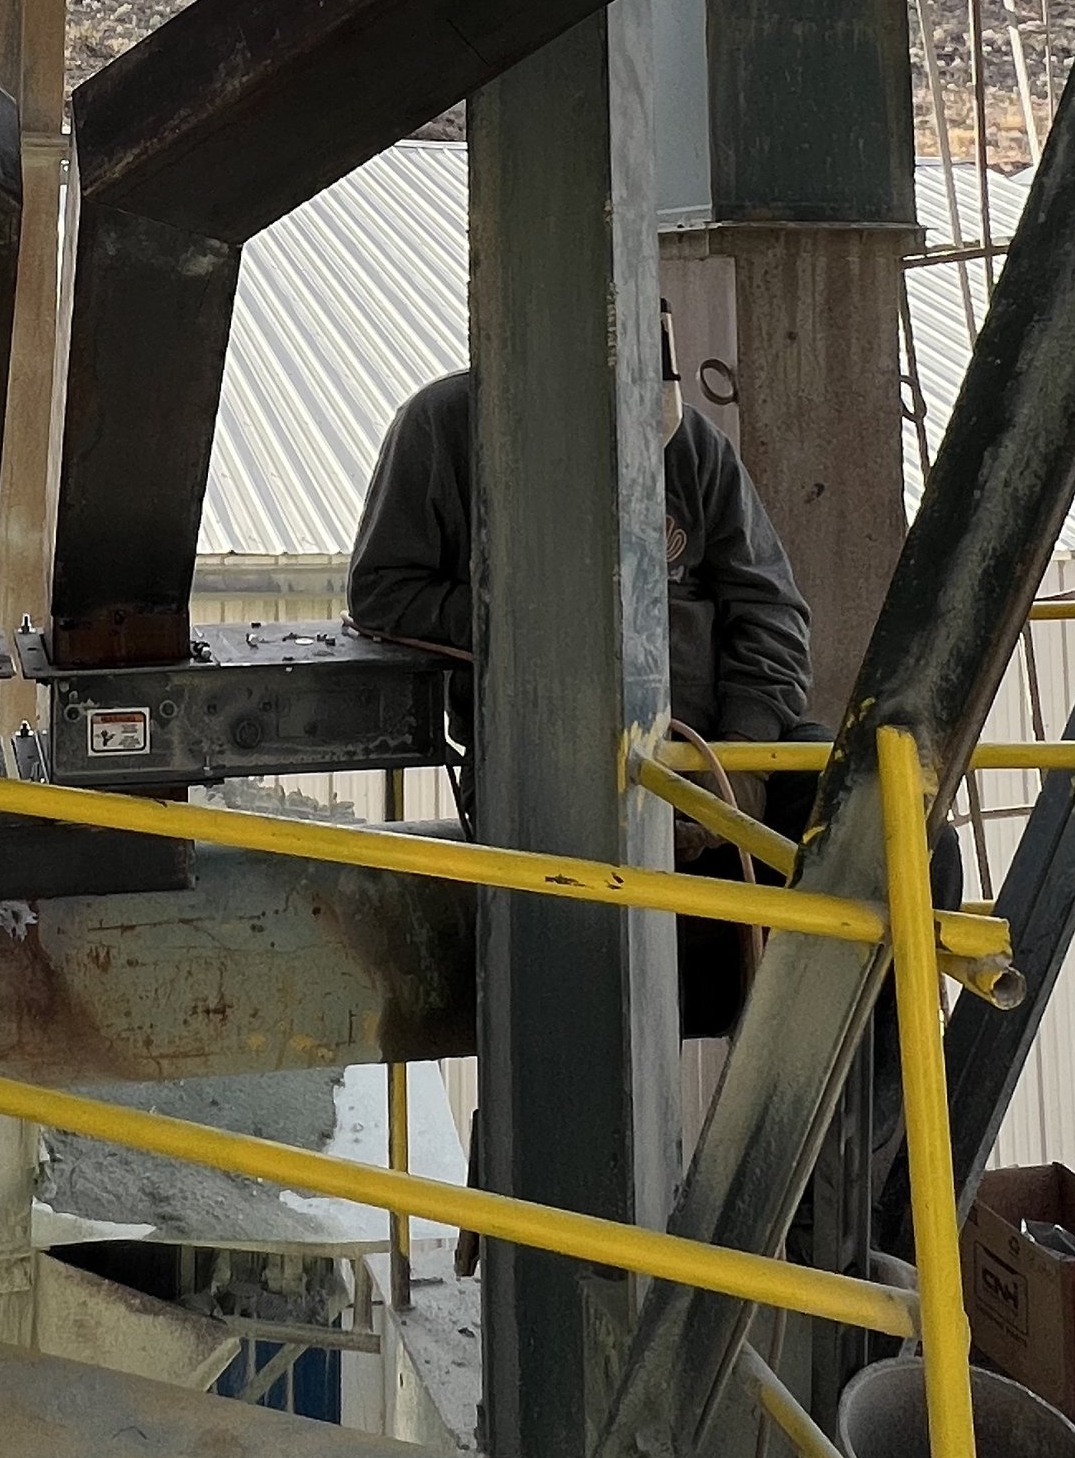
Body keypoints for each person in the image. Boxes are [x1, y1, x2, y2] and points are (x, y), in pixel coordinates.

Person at [346, 328, 816, 1033]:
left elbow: (771, 610)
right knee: (583, 1004)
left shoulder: (692, 447)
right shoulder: (444, 429)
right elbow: (382, 591)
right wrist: (525, 618)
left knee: (897, 842)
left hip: (714, 765)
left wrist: (744, 759)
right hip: (549, 773)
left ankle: (860, 1132)